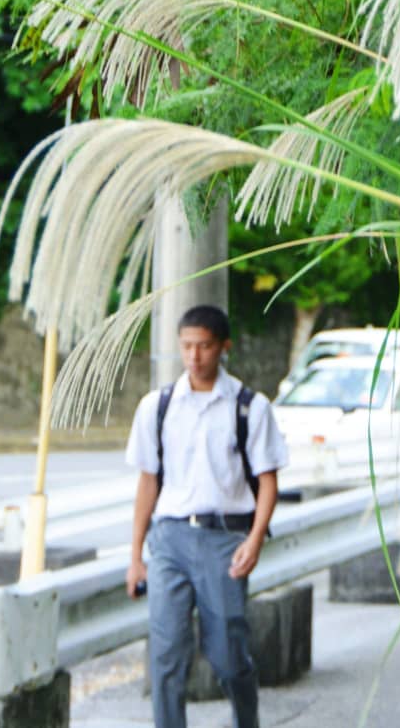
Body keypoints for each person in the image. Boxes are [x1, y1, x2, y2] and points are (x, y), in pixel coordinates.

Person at [125, 304, 288, 728]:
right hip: (170, 539)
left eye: (204, 346)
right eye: (187, 346)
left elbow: (267, 481)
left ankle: (245, 721)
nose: (194, 356)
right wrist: (136, 555)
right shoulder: (157, 407)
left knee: (228, 656)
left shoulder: (250, 408)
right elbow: (148, 483)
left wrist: (254, 541)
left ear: (223, 347)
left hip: (224, 541)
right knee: (166, 653)